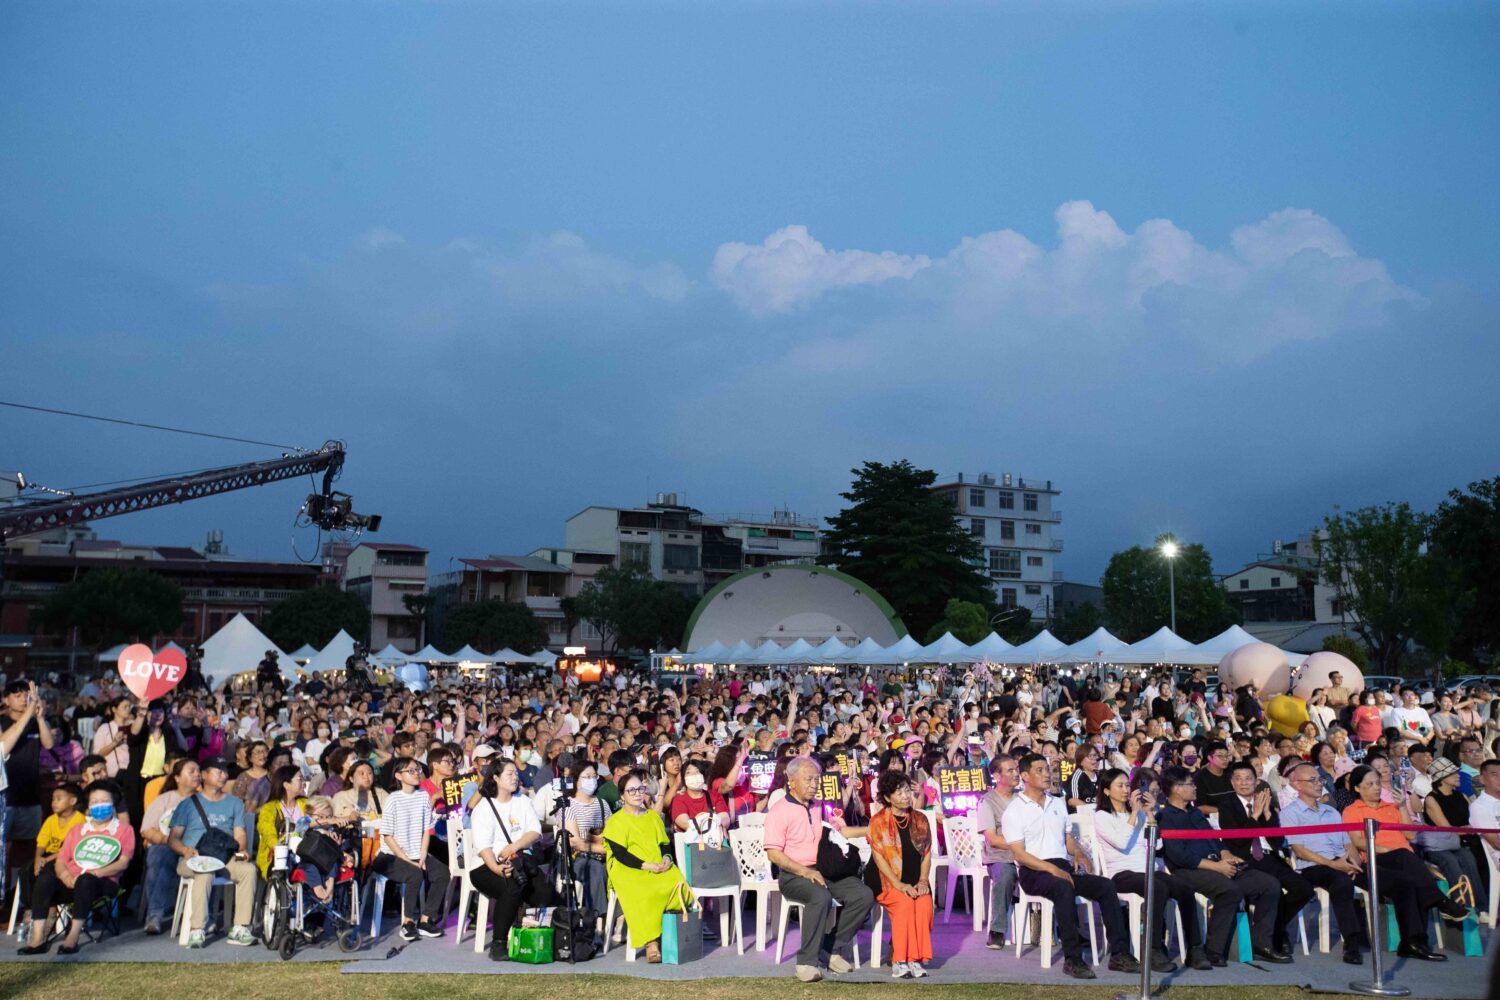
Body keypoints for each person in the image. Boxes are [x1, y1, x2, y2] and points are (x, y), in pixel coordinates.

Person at [1002, 753, 1136, 980]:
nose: (1047, 774)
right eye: (1040, 770)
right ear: (1025, 776)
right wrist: (1052, 870)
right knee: (1063, 886)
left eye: (1047, 769)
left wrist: (1078, 852)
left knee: (1105, 886)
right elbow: (1019, 854)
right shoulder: (1015, 810)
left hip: (1062, 867)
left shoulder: (1057, 802)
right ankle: (1073, 958)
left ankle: (1119, 953)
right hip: (1033, 871)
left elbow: (1067, 839)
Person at [1156, 765, 1285, 965]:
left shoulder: (1194, 812)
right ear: (1177, 789)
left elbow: (1215, 839)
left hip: (1218, 863)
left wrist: (1227, 855)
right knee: (1229, 890)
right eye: (1191, 784)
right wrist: (1217, 867)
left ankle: (1261, 944)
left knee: (1269, 884)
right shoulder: (1165, 817)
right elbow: (1180, 856)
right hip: (1189, 870)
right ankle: (1214, 950)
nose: (1195, 788)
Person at [764, 756, 874, 982]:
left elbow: (839, 832)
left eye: (817, 779)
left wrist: (870, 830)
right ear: (791, 780)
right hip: (794, 875)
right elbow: (773, 853)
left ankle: (830, 947)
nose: (814, 784)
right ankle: (806, 961)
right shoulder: (779, 810)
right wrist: (805, 871)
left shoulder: (819, 807)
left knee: (863, 895)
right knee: (820, 896)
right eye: (809, 779)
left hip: (825, 871)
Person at [1341, 764, 1468, 960]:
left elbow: (1410, 835)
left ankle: (1414, 942)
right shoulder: (1352, 810)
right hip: (1377, 857)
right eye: (1370, 784)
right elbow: (1358, 841)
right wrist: (1389, 850)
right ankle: (1440, 903)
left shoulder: (1391, 806)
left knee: (1413, 879)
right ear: (1357, 788)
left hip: (1404, 858)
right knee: (1410, 864)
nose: (1376, 788)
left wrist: (1401, 807)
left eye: (1377, 783)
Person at [1092, 767, 1198, 970]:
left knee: (1184, 887)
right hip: (1121, 873)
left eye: (1127, 785)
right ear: (1106, 791)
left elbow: (1156, 845)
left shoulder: (1141, 815)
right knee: (1157, 887)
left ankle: (1195, 947)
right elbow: (1122, 843)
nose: (1125, 790)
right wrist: (1134, 813)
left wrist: (1149, 814)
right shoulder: (1102, 816)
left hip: (1146, 870)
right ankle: (1152, 949)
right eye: (1120, 786)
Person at [17, 781, 134, 955]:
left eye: (104, 801)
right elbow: (61, 860)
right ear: (88, 806)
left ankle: (72, 937)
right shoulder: (77, 830)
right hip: (70, 881)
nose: (99, 805)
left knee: (86, 880)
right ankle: (37, 938)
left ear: (113, 804)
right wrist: (65, 876)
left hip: (102, 882)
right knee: (45, 879)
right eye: (94, 802)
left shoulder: (124, 830)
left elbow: (123, 863)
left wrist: (94, 873)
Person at [1215, 761, 1311, 957]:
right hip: (1245, 859)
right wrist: (1255, 815)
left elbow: (1278, 841)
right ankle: (1271, 938)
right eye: (1238, 779)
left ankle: (1276, 929)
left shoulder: (1265, 801)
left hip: (1270, 857)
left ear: (1256, 781)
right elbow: (1237, 841)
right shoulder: (1227, 805)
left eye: (1248, 779)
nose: (1244, 783)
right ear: (1232, 783)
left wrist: (1267, 814)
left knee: (1304, 889)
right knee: (1273, 886)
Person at [167, 757, 258, 947]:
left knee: (248, 870)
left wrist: (241, 851)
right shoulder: (188, 804)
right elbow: (173, 838)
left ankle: (240, 927)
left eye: (225, 771)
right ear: (204, 775)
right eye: (218, 771)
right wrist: (185, 850)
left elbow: (240, 834)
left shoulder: (235, 803)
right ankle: (197, 929)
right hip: (193, 858)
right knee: (204, 871)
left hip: (224, 857)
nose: (223, 775)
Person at [604, 767, 691, 964]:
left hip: (656, 862)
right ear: (622, 795)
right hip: (628, 868)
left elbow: (664, 844)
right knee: (646, 891)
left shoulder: (652, 816)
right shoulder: (616, 821)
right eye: (631, 790)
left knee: (679, 885)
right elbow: (621, 855)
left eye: (640, 789)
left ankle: (671, 934)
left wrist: (666, 858)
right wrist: (646, 866)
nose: (637, 794)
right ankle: (651, 942)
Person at [467, 758, 552, 961]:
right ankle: (498, 943)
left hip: (519, 860)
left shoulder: (522, 801)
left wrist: (514, 847)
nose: (515, 777)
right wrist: (496, 868)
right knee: (510, 887)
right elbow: (484, 847)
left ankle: (529, 933)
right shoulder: (484, 807)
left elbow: (535, 831)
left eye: (516, 773)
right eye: (509, 774)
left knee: (545, 892)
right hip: (486, 866)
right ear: (496, 778)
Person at [374, 756, 450, 942]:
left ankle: (426, 920)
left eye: (417, 770)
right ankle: (407, 922)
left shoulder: (423, 796)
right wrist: (407, 859)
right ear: (399, 776)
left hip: (416, 853)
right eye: (411, 771)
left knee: (442, 873)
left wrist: (422, 855)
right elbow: (387, 836)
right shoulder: (393, 799)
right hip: (390, 855)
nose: (416, 773)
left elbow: (426, 830)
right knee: (415, 874)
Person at [867, 771, 933, 979]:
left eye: (906, 790)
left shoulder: (920, 819)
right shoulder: (878, 821)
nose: (905, 796)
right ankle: (899, 960)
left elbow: (927, 854)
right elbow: (879, 858)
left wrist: (923, 880)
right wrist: (898, 884)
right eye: (899, 792)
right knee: (904, 903)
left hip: (916, 879)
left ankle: (915, 959)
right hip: (886, 881)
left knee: (924, 904)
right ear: (888, 798)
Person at [140, 757, 200, 935]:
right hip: (166, 844)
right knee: (160, 854)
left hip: (196, 848)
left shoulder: (205, 799)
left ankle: (204, 915)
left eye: (198, 771)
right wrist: (170, 841)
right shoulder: (165, 799)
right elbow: (147, 830)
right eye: (191, 771)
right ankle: (155, 914)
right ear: (177, 778)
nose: (197, 775)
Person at [17, 783, 83, 941]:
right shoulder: (51, 820)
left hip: (69, 858)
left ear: (73, 801)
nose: (54, 802)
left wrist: (45, 860)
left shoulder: (79, 820)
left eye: (59, 799)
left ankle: (51, 910)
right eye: (53, 799)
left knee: (47, 871)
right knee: (26, 869)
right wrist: (38, 858)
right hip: (48, 855)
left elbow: (70, 848)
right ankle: (31, 908)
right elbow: (41, 843)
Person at [1418, 756, 1482, 904]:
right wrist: (1468, 829)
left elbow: (1474, 821)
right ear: (1441, 777)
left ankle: (1483, 905)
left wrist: (1470, 829)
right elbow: (1446, 829)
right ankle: (1469, 905)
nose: (1457, 775)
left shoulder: (1461, 795)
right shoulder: (1432, 799)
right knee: (1464, 858)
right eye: (1452, 773)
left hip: (1469, 839)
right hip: (1447, 844)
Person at [977, 753, 1018, 950]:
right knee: (1005, 875)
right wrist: (1018, 846)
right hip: (1001, 856)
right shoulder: (987, 801)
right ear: (996, 775)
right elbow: (992, 839)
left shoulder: (1024, 799)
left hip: (1029, 855)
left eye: (1016, 769)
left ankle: (1056, 928)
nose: (1016, 773)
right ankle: (997, 930)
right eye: (1010, 770)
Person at [563, 758, 611, 915]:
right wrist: (604, 848)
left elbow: (612, 834)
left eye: (594, 776)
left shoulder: (602, 804)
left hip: (604, 854)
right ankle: (598, 917)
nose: (592, 780)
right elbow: (576, 843)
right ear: (576, 780)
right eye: (587, 777)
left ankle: (620, 915)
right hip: (579, 858)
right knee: (596, 868)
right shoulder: (568, 805)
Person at [255, 764, 308, 878]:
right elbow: (268, 833)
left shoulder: (305, 804)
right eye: (300, 779)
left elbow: (319, 818)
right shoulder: (269, 808)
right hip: (277, 856)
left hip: (305, 853)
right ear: (286, 785)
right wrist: (280, 847)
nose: (304, 783)